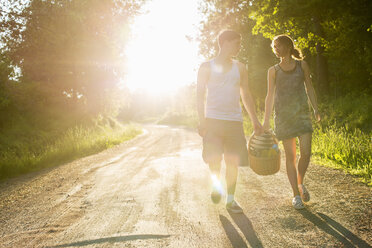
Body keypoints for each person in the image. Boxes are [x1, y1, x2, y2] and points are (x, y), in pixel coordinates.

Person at [197, 30, 262, 213]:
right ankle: (216, 187)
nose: (239, 47)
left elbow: (246, 94)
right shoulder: (206, 67)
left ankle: (231, 200)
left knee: (232, 161)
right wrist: (202, 121)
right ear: (224, 43)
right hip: (213, 121)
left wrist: (255, 120)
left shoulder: (240, 67)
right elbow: (199, 96)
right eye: (236, 43)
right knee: (214, 160)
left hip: (234, 121)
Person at [262, 34, 321, 210]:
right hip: (284, 117)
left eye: (278, 46)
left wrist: (316, 108)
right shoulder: (273, 70)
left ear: (288, 46)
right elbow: (270, 95)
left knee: (306, 152)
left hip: (302, 114)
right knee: (290, 157)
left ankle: (300, 182)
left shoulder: (302, 65)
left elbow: (309, 87)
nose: (276, 49)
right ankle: (296, 195)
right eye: (274, 47)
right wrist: (265, 120)